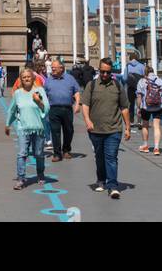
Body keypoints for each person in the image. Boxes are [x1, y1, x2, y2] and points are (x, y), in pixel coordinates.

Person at [81, 56, 130, 199]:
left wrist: (127, 127)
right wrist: (87, 120)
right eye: (102, 72)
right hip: (95, 129)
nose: (105, 75)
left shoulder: (117, 86)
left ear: (111, 72)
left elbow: (124, 108)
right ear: (99, 70)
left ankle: (113, 186)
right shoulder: (92, 85)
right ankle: (101, 181)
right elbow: (85, 105)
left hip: (114, 129)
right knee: (100, 157)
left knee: (111, 157)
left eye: (108, 72)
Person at [5, 67, 50, 190]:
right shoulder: (18, 94)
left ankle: (40, 174)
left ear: (33, 78)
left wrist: (38, 101)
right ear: (20, 80)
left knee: (39, 154)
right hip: (23, 128)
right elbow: (12, 110)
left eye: (28, 77)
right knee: (22, 153)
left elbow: (46, 109)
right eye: (24, 77)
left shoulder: (39, 90)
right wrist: (7, 124)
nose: (26, 79)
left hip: (38, 127)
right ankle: (20, 178)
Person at [43, 58, 81, 161]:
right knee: (55, 131)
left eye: (54, 67)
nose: (52, 69)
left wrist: (77, 105)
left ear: (62, 68)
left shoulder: (70, 79)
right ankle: (57, 154)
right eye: (52, 67)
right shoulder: (48, 80)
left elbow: (77, 92)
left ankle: (66, 150)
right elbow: (43, 94)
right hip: (53, 109)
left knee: (69, 130)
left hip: (67, 109)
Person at [137, 64, 162, 155]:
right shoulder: (160, 81)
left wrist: (139, 108)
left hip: (146, 107)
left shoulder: (141, 81)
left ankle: (145, 146)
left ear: (145, 73)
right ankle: (156, 148)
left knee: (145, 125)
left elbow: (139, 96)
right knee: (156, 126)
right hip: (159, 106)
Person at [123, 55, 146, 128]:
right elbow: (145, 77)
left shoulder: (127, 66)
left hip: (130, 88)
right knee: (140, 105)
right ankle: (139, 122)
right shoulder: (142, 66)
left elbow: (124, 78)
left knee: (131, 104)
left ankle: (131, 122)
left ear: (130, 59)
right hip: (140, 88)